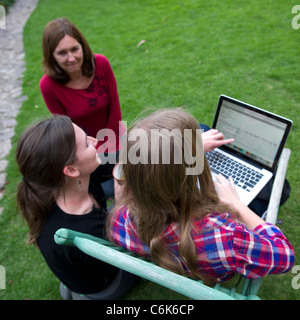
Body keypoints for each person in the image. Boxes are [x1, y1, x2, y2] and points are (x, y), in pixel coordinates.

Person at [108, 108, 294, 285]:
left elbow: (142, 165)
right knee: (280, 189)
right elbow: (284, 256)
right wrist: (238, 205)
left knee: (203, 129)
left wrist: (181, 154)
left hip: (177, 240)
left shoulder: (119, 220)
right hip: (209, 251)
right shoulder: (227, 237)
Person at [16, 115, 137, 300]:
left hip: (83, 269)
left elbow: (121, 158)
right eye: (87, 144)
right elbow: (130, 247)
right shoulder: (83, 230)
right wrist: (122, 206)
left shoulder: (65, 183)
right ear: (71, 170)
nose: (95, 141)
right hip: (107, 284)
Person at [40, 17, 123, 197]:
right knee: (98, 192)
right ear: (51, 55)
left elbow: (115, 108)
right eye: (62, 53)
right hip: (83, 149)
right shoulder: (48, 85)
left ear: (82, 45)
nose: (71, 58)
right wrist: (92, 152)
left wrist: (109, 146)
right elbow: (66, 129)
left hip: (115, 138)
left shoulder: (101, 64)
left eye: (74, 49)